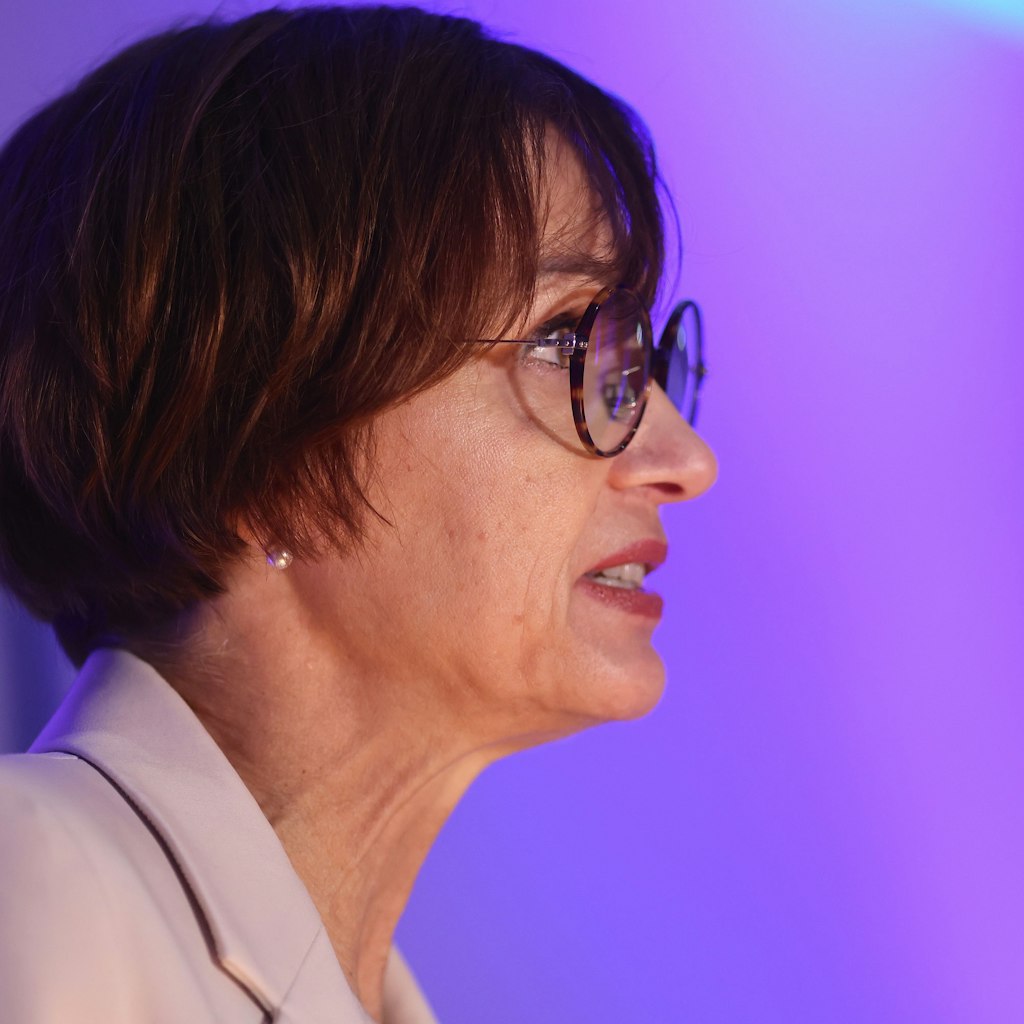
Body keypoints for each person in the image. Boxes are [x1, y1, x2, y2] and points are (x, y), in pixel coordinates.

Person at [0, 5, 717, 1022]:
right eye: (566, 340)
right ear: (261, 447)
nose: (686, 460)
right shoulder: (28, 884)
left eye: (638, 358)